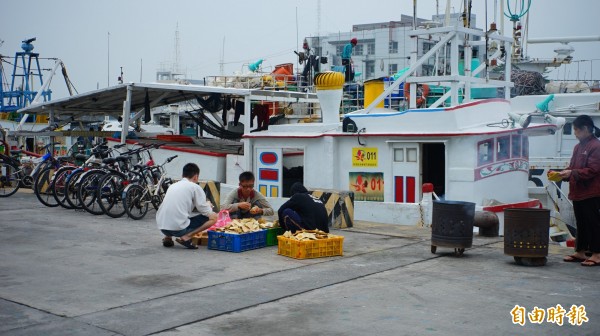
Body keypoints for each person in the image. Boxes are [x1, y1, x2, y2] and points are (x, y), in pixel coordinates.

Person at [559, 115, 600, 266]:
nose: (575, 132)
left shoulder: (596, 146)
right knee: (581, 222)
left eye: (576, 129)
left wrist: (572, 173)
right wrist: (563, 173)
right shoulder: (578, 147)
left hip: (591, 192)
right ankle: (581, 251)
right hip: (578, 192)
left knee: (593, 223)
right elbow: (573, 167)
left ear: (586, 129)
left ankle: (597, 253)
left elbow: (593, 170)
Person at [156, 163, 217, 249]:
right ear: (196, 176)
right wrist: (209, 206)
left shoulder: (172, 186)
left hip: (162, 227)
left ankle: (168, 237)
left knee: (174, 212)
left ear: (182, 175)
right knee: (214, 217)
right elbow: (205, 210)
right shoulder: (195, 187)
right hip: (178, 229)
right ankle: (187, 236)